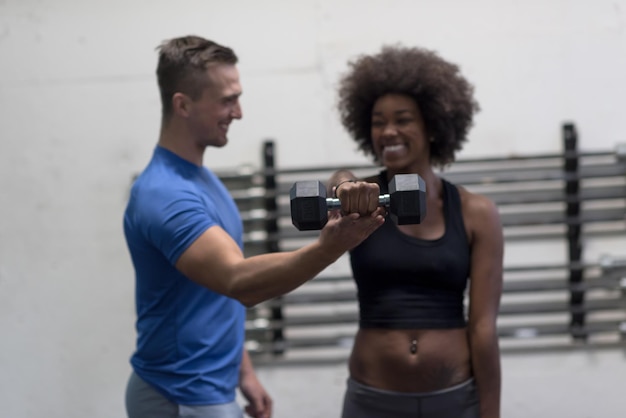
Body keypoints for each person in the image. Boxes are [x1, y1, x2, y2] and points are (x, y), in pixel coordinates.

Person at [123, 35, 385, 418]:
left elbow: (210, 296)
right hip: (180, 394)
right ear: (183, 104)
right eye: (227, 100)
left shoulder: (201, 180)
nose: (239, 112)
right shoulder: (165, 194)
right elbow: (237, 281)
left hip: (208, 386)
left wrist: (243, 370)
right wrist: (331, 246)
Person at [328, 45, 504, 418]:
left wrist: (491, 413)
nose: (389, 131)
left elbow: (484, 329)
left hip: (455, 400)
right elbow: (339, 182)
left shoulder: (477, 213)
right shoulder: (360, 200)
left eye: (403, 119)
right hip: (371, 402)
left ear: (433, 125)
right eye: (378, 121)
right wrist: (344, 185)